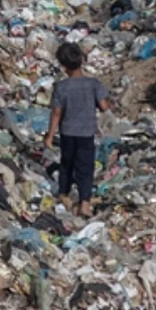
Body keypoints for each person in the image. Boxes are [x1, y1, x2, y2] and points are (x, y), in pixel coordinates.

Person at [43, 42, 110, 217]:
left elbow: (56, 112)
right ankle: (84, 204)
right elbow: (104, 107)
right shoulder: (93, 84)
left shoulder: (61, 87)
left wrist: (49, 136)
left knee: (67, 163)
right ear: (82, 60)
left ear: (63, 67)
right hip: (86, 133)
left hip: (67, 133)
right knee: (85, 168)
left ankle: (63, 194)